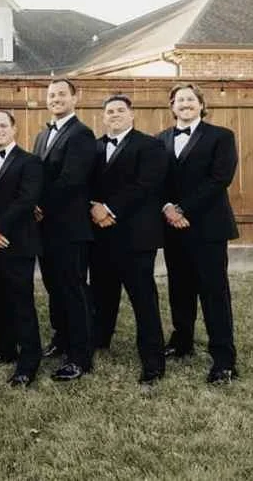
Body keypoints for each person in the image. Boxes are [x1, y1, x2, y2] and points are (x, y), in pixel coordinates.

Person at [157, 83, 239, 384]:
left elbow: (220, 179)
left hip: (208, 228)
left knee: (214, 293)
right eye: (180, 100)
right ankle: (182, 342)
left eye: (191, 99)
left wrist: (182, 209)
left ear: (201, 105)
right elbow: (157, 182)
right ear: (172, 106)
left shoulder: (221, 137)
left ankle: (224, 358)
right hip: (172, 228)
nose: (185, 104)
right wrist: (167, 207)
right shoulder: (161, 140)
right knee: (179, 288)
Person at [88, 95, 169, 384]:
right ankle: (100, 339)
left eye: (120, 110)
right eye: (109, 111)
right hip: (100, 235)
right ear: (103, 116)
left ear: (132, 115)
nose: (115, 115)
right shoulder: (95, 146)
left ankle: (153, 361)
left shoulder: (150, 145)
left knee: (143, 299)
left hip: (136, 236)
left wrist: (109, 209)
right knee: (101, 294)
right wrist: (94, 208)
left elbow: (146, 185)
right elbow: (84, 184)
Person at [32, 78, 96, 381]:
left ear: (75, 98)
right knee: (54, 288)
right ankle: (62, 338)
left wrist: (40, 204)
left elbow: (72, 179)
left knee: (73, 289)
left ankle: (80, 356)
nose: (56, 99)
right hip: (45, 229)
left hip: (69, 228)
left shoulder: (82, 134)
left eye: (61, 94)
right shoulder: (42, 135)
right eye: (51, 95)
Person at [0, 110, 44, 387]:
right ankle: (5, 346)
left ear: (14, 129)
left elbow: (26, 199)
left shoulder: (30, 162)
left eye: (3, 125)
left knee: (21, 302)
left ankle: (28, 361)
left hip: (17, 242)